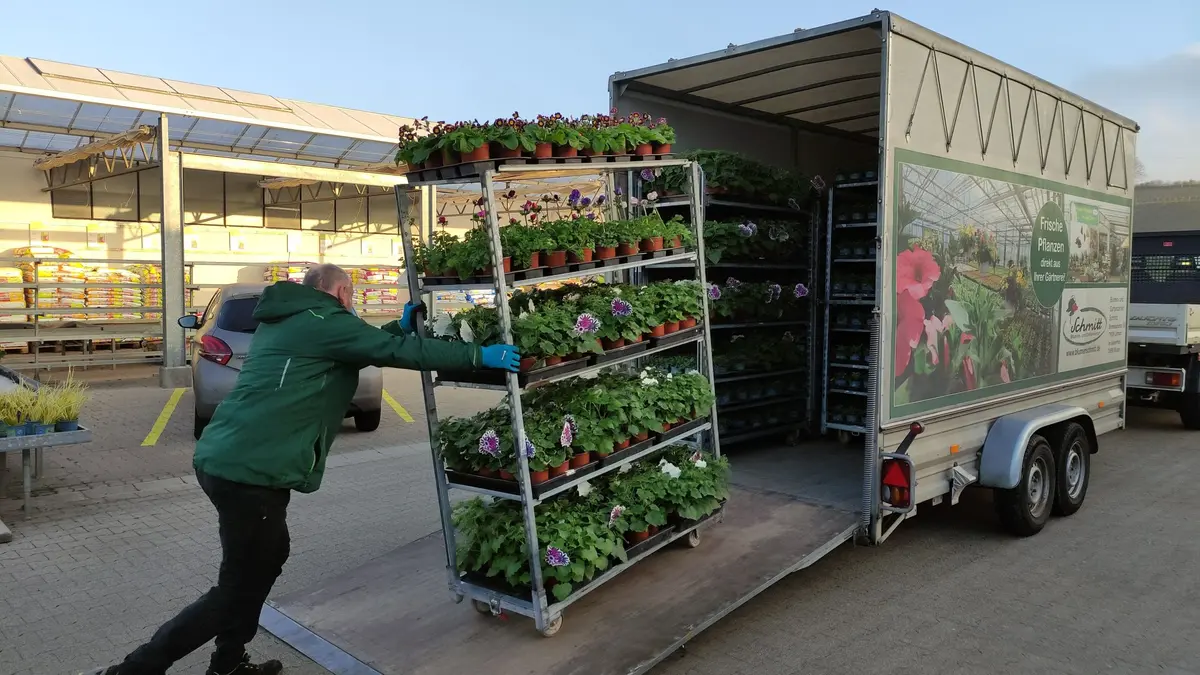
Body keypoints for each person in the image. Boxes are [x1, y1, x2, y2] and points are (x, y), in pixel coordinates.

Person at [85, 264, 519, 675]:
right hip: (250, 472)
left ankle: (229, 660)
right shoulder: (322, 320)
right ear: (342, 292)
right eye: (352, 296)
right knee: (237, 586)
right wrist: (479, 354)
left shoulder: (294, 318)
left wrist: (396, 327)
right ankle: (136, 668)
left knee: (265, 561)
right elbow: (395, 352)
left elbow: (357, 346)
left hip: (235, 461)